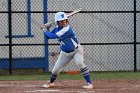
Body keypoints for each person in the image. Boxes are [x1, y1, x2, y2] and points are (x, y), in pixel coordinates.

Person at [43, 11, 93, 89]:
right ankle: (51, 82)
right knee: (55, 70)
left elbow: (53, 36)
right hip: (65, 53)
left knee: (79, 63)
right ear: (57, 22)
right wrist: (48, 28)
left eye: (65, 20)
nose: (64, 22)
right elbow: (48, 37)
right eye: (62, 21)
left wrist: (44, 29)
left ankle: (89, 83)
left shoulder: (67, 29)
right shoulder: (56, 29)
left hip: (76, 51)